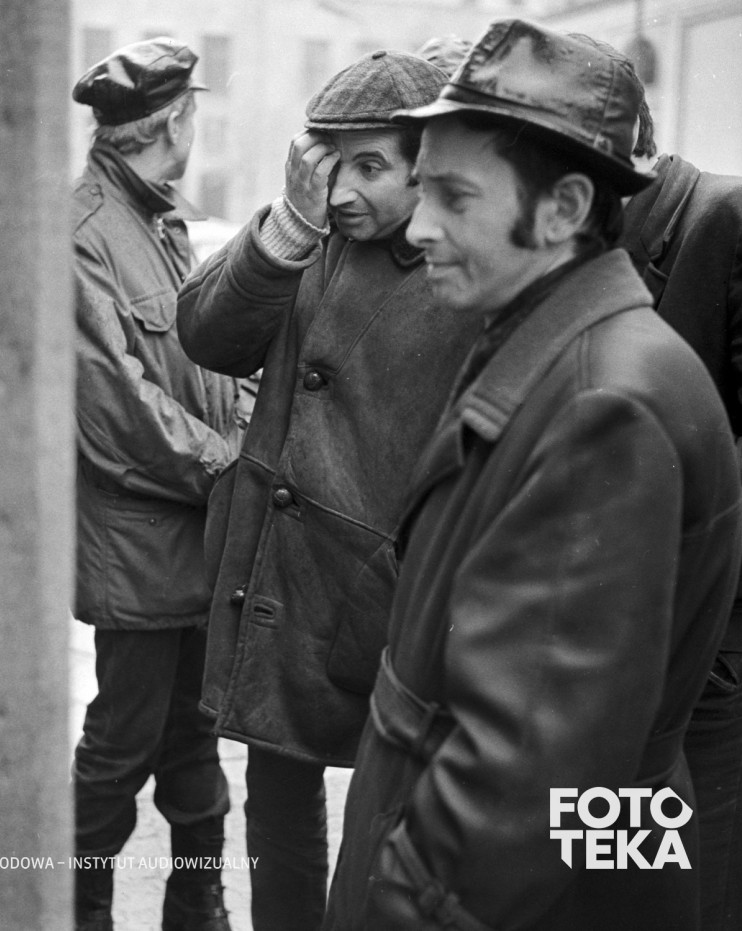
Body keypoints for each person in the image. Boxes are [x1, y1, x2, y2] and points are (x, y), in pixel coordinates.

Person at [323, 19, 742, 931]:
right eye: (421, 188)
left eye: (453, 197)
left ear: (561, 209)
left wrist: (404, 908)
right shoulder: (551, 342)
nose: (419, 226)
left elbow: (521, 775)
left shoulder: (604, 407)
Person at [176, 44, 479, 931]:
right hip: (278, 578)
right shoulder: (305, 235)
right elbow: (207, 335)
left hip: (381, 590)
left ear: (427, 167)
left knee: (387, 822)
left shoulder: (465, 266)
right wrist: (284, 231)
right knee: (277, 812)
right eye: (327, 163)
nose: (340, 189)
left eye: (369, 166)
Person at [70, 39, 240, 931]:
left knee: (195, 742)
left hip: (192, 541)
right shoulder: (85, 233)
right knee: (119, 749)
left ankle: (197, 907)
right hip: (138, 552)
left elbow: (199, 366)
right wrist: (230, 466)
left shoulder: (158, 221)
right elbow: (117, 410)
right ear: (175, 123)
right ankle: (79, 909)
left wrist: (240, 425)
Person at [607, 44, 742, 931]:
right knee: (622, 872)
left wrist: (645, 507)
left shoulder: (733, 219)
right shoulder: (583, 248)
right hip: (617, 639)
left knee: (707, 887)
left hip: (715, 638)